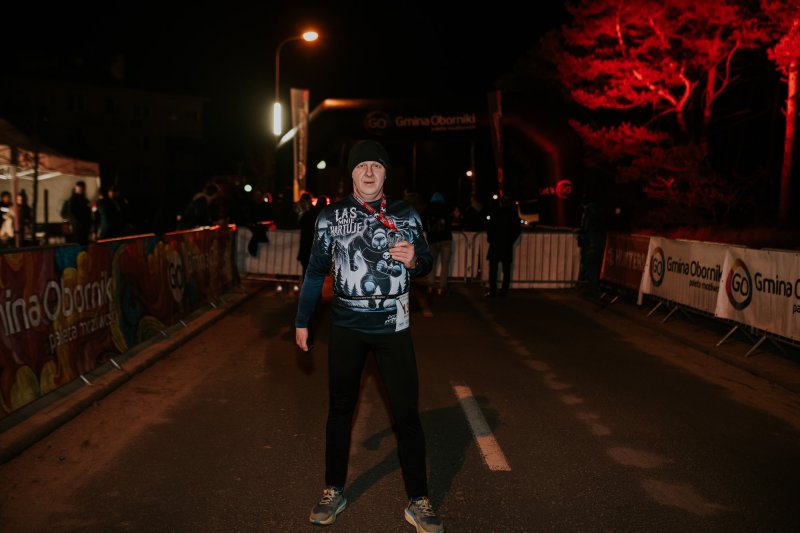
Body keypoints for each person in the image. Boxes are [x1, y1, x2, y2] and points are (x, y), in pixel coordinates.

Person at [295, 139, 444, 533]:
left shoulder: (406, 214)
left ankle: (419, 500)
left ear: (385, 174)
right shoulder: (331, 216)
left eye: (376, 166)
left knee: (406, 415)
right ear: (352, 173)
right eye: (361, 166)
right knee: (339, 412)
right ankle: (332, 490)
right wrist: (302, 320)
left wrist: (415, 261)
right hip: (346, 327)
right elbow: (315, 271)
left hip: (393, 328)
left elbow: (427, 260)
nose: (368, 172)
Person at [485, 195, 521, 298]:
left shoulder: (496, 213)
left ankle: (493, 291)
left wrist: (490, 238)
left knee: (493, 270)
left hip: (495, 244)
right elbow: (517, 230)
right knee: (506, 270)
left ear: (501, 203)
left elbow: (490, 227)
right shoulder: (513, 215)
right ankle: (504, 292)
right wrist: (510, 241)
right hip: (506, 245)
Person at [422, 192, 453, 296]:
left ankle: (431, 285)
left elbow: (422, 223)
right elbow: (450, 222)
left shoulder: (427, 209)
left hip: (433, 240)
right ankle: (442, 287)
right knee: (445, 264)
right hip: (446, 239)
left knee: (432, 263)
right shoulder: (446, 208)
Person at [296, 191, 320, 280]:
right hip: (312, 246)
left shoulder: (307, 214)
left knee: (307, 269)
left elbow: (301, 226)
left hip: (308, 246)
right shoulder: (314, 212)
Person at [63, 180, 93, 245]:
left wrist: (89, 223)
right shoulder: (73, 200)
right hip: (78, 227)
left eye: (83, 188)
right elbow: (72, 213)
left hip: (84, 227)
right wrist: (79, 223)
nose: (82, 189)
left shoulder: (85, 200)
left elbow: (88, 213)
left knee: (84, 244)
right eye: (80, 188)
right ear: (76, 188)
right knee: (79, 244)